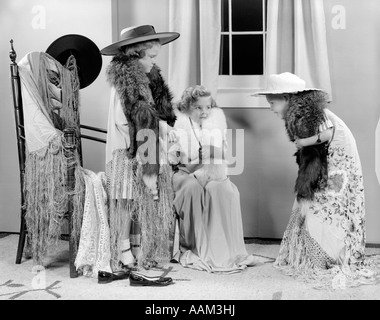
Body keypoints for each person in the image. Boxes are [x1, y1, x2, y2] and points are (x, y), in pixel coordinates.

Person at [254, 72, 380, 288]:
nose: (271, 108)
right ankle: (319, 254)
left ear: (286, 99)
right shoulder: (301, 112)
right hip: (331, 158)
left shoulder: (310, 112)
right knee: (320, 202)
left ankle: (329, 255)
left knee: (328, 203)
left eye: (272, 103)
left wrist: (305, 141)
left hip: (340, 160)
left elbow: (328, 133)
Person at [100, 25, 180, 271]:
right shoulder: (125, 84)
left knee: (147, 200)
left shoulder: (149, 80)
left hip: (147, 148)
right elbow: (124, 122)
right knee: (124, 199)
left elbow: (155, 116)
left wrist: (164, 132)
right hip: (127, 151)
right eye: (151, 57)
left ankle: (143, 248)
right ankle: (123, 248)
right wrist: (142, 150)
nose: (153, 63)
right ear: (135, 55)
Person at [169, 85, 261, 274]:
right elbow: (174, 159)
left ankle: (219, 247)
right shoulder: (180, 125)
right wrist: (187, 157)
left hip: (211, 172)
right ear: (187, 107)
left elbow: (226, 155)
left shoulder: (216, 123)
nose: (204, 112)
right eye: (198, 108)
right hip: (184, 172)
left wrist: (213, 152)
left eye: (208, 107)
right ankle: (191, 244)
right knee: (192, 187)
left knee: (219, 189)